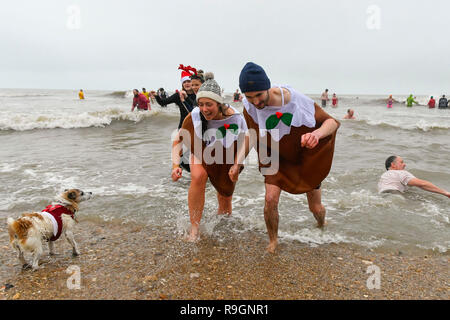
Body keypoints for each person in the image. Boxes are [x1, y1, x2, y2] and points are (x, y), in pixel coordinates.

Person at [236, 62, 340, 253]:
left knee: (315, 208)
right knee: (270, 199)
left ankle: (322, 224)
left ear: (267, 87)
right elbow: (251, 133)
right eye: (250, 97)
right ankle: (273, 241)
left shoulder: (294, 100)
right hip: (275, 156)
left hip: (304, 156)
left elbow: (331, 122)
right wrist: (237, 162)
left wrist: (316, 135)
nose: (256, 102)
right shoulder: (249, 106)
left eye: (259, 95)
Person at [171, 73, 248, 241]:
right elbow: (178, 140)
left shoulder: (235, 117)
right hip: (201, 150)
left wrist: (237, 165)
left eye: (209, 104)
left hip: (225, 155)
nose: (204, 109)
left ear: (219, 103)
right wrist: (175, 166)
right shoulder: (195, 115)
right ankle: (194, 231)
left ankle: (224, 230)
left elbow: (245, 142)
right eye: (201, 104)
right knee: (198, 176)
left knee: (225, 197)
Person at [378, 156, 450, 198]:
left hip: (381, 196)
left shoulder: (383, 177)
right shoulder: (400, 172)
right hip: (395, 194)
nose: (404, 164)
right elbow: (423, 184)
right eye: (401, 162)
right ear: (393, 165)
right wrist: (445, 193)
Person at [152, 65, 197, 129]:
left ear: (192, 82)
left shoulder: (198, 94)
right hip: (183, 126)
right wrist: (156, 96)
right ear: (182, 84)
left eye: (188, 81)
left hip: (197, 125)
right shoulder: (178, 95)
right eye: (184, 82)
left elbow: (195, 109)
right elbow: (163, 102)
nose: (186, 83)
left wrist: (186, 97)